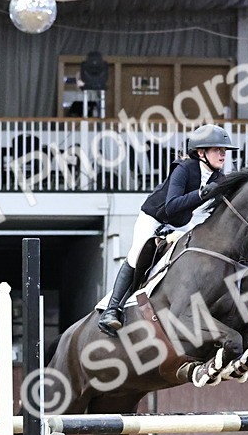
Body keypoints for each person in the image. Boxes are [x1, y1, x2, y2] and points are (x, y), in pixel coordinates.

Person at [97, 124, 239, 334]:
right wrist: (200, 194)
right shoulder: (184, 169)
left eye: (224, 150)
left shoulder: (219, 179)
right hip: (155, 218)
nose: (223, 154)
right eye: (217, 149)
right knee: (137, 256)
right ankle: (112, 308)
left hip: (182, 223)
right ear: (201, 153)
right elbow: (172, 205)